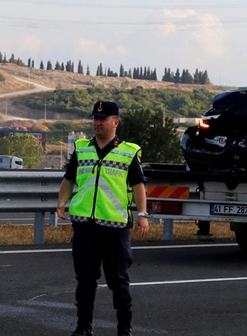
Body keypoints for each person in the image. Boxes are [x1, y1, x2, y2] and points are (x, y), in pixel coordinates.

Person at [57, 100, 149, 336]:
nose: (97, 123)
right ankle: (83, 328)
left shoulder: (128, 152)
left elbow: (139, 186)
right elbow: (69, 179)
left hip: (114, 227)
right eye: (95, 119)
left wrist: (142, 215)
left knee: (118, 280)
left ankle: (124, 329)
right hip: (85, 226)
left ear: (115, 122)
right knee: (85, 280)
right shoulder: (82, 148)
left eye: (103, 119)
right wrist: (61, 202)